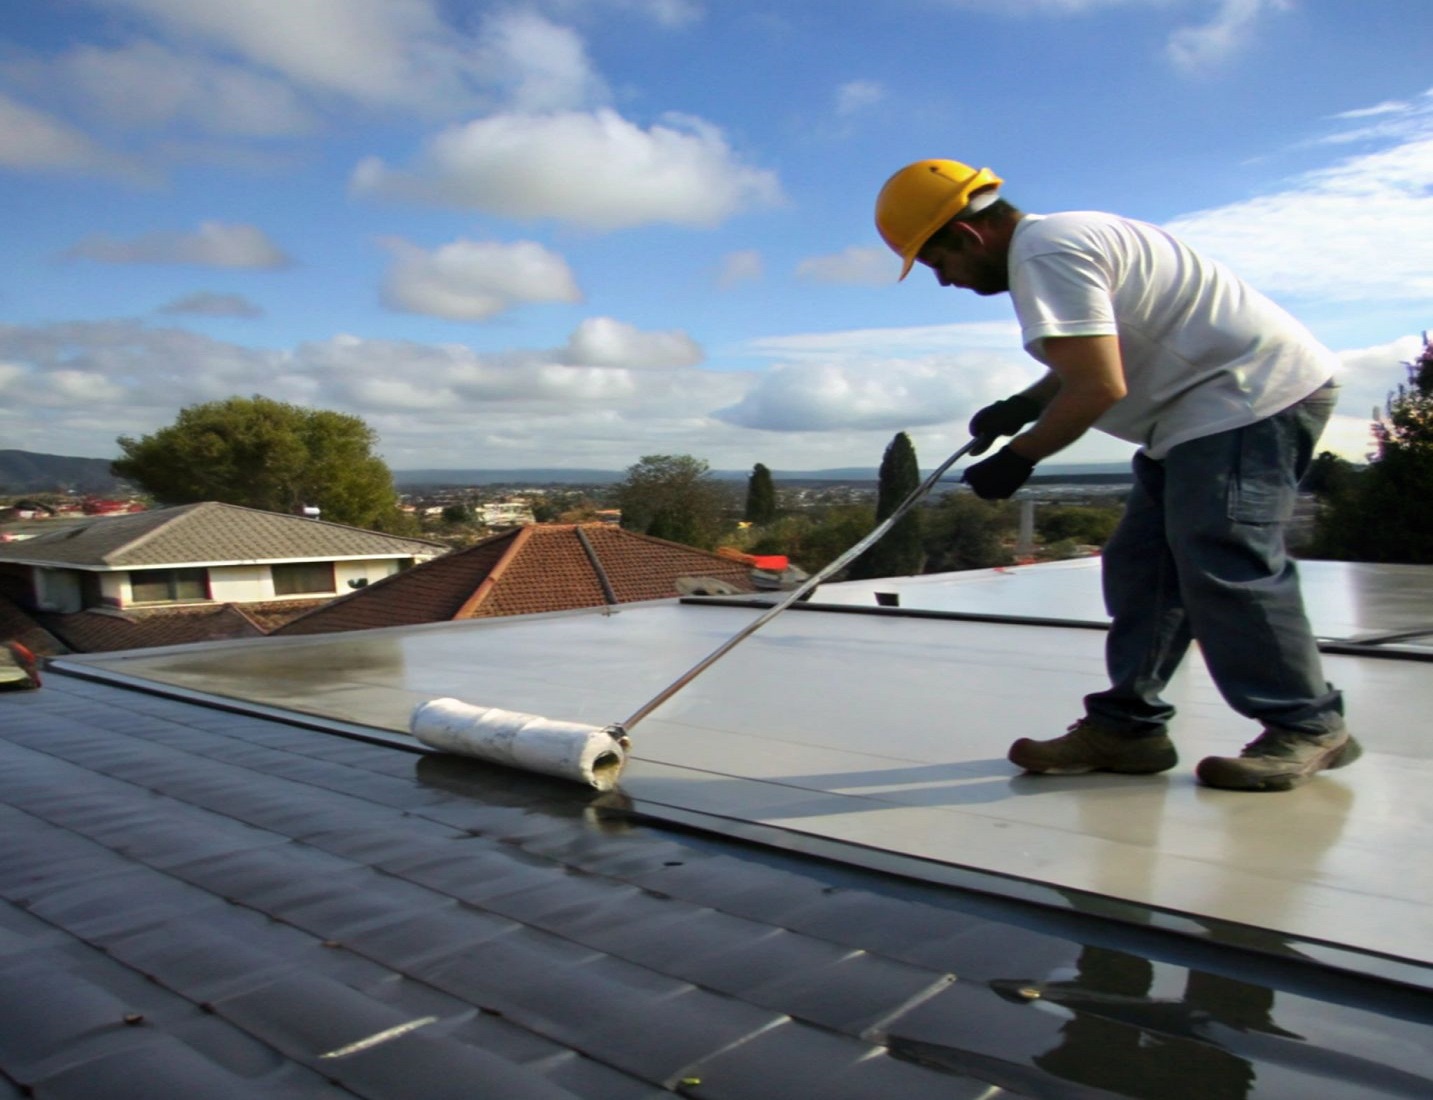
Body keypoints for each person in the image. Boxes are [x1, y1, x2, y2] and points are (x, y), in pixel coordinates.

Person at [874, 158, 1356, 792]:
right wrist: (1028, 403)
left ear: (969, 236)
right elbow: (1099, 349)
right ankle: (1128, 729)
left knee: (1224, 557)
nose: (944, 281)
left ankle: (1307, 725)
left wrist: (1021, 456)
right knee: (1141, 567)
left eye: (939, 263)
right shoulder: (1059, 241)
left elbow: (1100, 384)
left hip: (1247, 397)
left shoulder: (1045, 255)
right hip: (1195, 411)